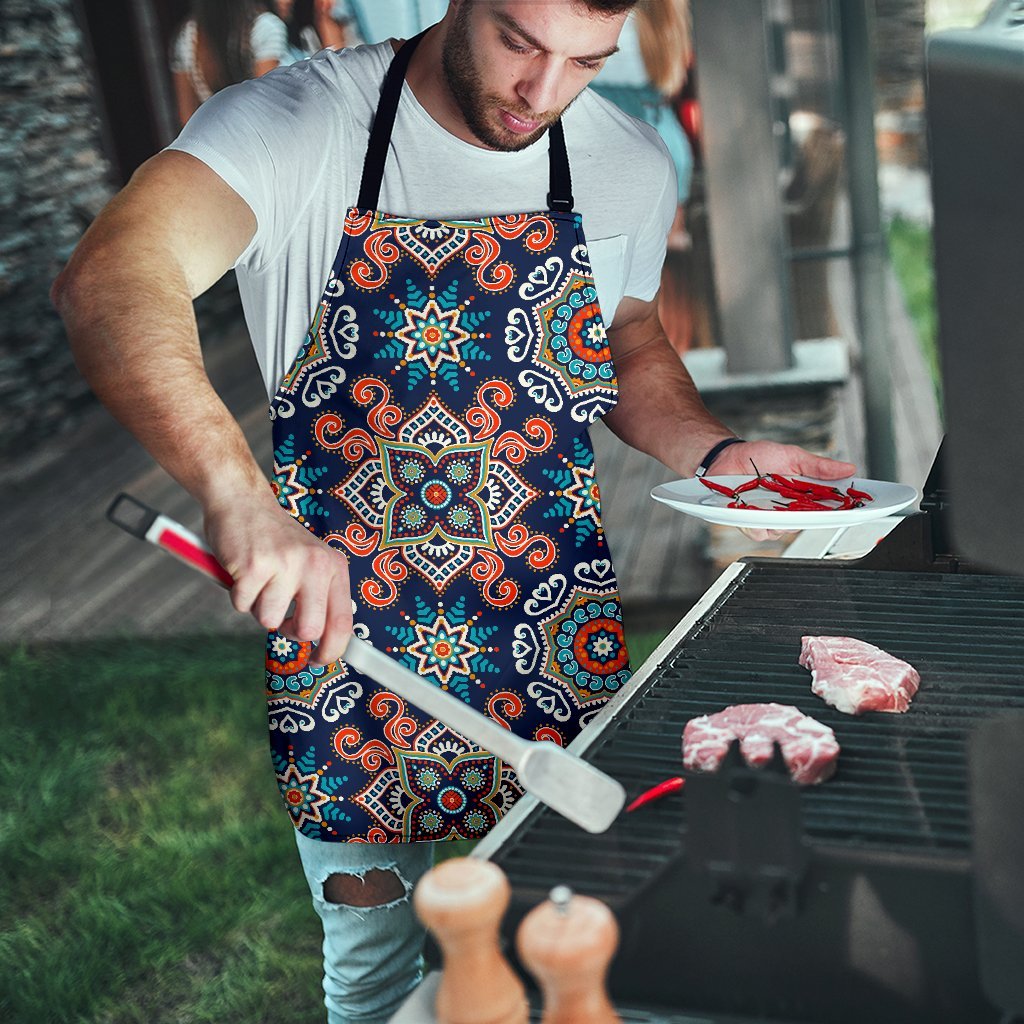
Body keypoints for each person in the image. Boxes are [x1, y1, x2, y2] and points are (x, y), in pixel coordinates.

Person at [53, 2, 855, 1020]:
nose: (543, 92)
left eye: (585, 62)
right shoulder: (298, 125)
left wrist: (717, 449)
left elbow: (627, 333)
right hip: (350, 654)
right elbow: (112, 275)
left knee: (579, 949)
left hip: (551, 631)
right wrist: (237, 498)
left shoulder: (625, 160)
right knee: (381, 975)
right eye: (521, 42)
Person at [171, 0, 289, 125]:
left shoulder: (187, 36)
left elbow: (186, 117)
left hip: (215, 137)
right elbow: (267, 104)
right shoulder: (265, 27)